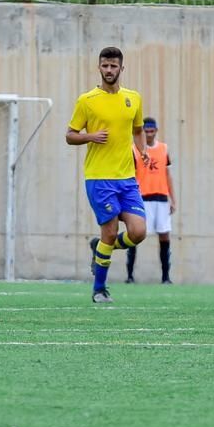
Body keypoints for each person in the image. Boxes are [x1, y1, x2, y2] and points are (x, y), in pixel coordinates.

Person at [66, 46, 149, 303]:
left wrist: (142, 150)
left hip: (127, 178)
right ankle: (99, 289)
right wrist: (90, 136)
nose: (109, 70)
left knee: (139, 232)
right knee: (110, 232)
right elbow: (70, 135)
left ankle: (99, 247)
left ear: (121, 68)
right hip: (99, 178)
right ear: (99, 67)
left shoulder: (133, 98)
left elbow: (137, 129)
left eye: (114, 66)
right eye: (105, 66)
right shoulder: (87, 100)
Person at [126, 117, 176, 284]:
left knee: (164, 236)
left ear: (156, 130)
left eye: (151, 130)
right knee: (136, 235)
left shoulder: (163, 148)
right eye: (145, 130)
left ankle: (166, 277)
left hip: (161, 198)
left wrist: (172, 199)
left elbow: (167, 174)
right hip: (142, 197)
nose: (148, 133)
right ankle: (130, 276)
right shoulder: (134, 149)